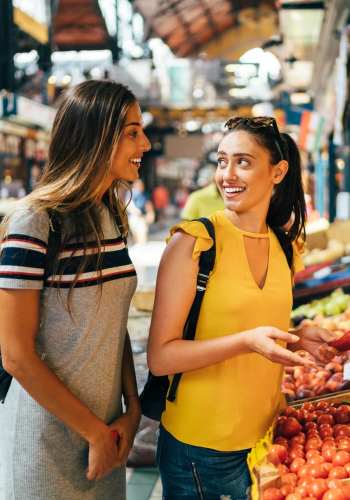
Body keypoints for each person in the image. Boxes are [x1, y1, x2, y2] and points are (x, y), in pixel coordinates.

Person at [147, 116, 338, 499]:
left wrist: (297, 339)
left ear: (278, 171)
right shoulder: (195, 243)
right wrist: (247, 342)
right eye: (222, 161)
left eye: (243, 162)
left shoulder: (285, 246)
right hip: (201, 448)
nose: (227, 174)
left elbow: (256, 329)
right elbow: (161, 358)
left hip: (264, 438)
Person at [0, 80, 151, 500]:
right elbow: (15, 354)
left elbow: (112, 321)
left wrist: (131, 410)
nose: (147, 143)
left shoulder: (111, 215)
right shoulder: (34, 221)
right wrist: (95, 432)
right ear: (96, 137)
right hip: (44, 442)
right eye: (132, 132)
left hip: (106, 438)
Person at [128, 179, 155, 244]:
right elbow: (129, 205)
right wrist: (137, 212)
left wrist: (150, 213)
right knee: (138, 235)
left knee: (141, 235)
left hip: (140, 217)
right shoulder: (132, 193)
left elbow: (147, 204)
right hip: (135, 217)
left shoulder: (142, 194)